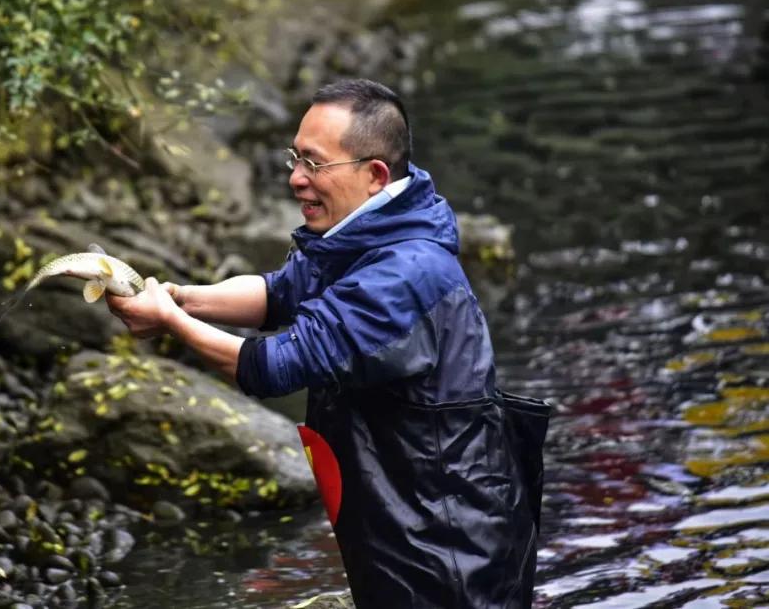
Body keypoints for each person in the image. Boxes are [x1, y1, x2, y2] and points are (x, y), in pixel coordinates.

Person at [106, 78, 550, 608]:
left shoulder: (404, 274)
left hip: (445, 540)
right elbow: (279, 292)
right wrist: (182, 300)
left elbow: (275, 367)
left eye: (314, 164)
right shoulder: (360, 233)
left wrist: (171, 324)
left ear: (374, 175)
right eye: (296, 158)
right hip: (394, 513)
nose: (296, 179)